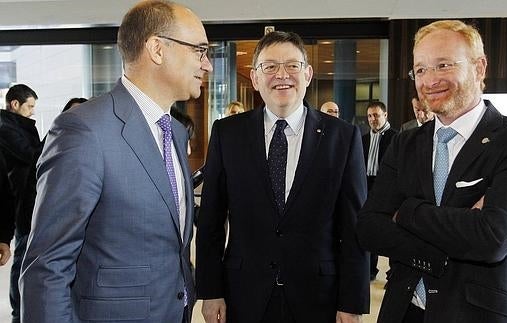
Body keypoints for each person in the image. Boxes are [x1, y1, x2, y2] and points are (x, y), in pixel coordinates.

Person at [19, 1, 213, 322]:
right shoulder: (84, 129)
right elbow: (48, 265)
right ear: (157, 49)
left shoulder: (175, 132)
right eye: (199, 50)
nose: (206, 64)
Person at [356, 19, 507, 323]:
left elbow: (492, 239)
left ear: (479, 67)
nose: (430, 80)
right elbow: (369, 228)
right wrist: (460, 231)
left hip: (481, 314)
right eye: (420, 70)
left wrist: (406, 212)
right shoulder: (405, 143)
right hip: (405, 310)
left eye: (443, 65)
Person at [196, 31, 369, 323]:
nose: (282, 75)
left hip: (318, 296)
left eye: (292, 65)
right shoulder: (227, 133)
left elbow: (354, 229)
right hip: (243, 293)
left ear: (308, 73)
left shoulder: (342, 137)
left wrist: (352, 302)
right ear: (254, 77)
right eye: (270, 66)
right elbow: (211, 219)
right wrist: (211, 291)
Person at [0, 84, 42, 323]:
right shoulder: (7, 129)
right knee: (22, 255)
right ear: (15, 104)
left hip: (26, 199)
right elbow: (32, 156)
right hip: (19, 201)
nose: (32, 112)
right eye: (30, 106)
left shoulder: (19, 126)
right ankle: (18, 312)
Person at [361, 100, 397, 281]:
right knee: (370, 227)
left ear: (385, 115)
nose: (372, 119)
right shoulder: (363, 139)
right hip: (366, 186)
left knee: (390, 230)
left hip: (387, 189)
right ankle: (370, 269)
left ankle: (392, 273)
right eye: (369, 116)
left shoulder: (396, 138)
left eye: (376, 115)